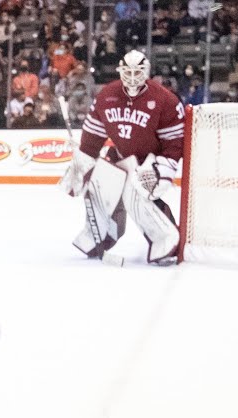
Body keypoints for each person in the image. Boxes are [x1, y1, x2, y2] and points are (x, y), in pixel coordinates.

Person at [57, 50, 185, 264]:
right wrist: (82, 162)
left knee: (136, 190)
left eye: (138, 72)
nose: (133, 78)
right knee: (98, 184)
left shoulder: (164, 99)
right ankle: (98, 237)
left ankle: (166, 240)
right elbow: (93, 137)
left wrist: (164, 168)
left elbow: (173, 142)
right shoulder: (107, 95)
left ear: (146, 72)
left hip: (149, 162)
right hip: (120, 156)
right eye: (128, 72)